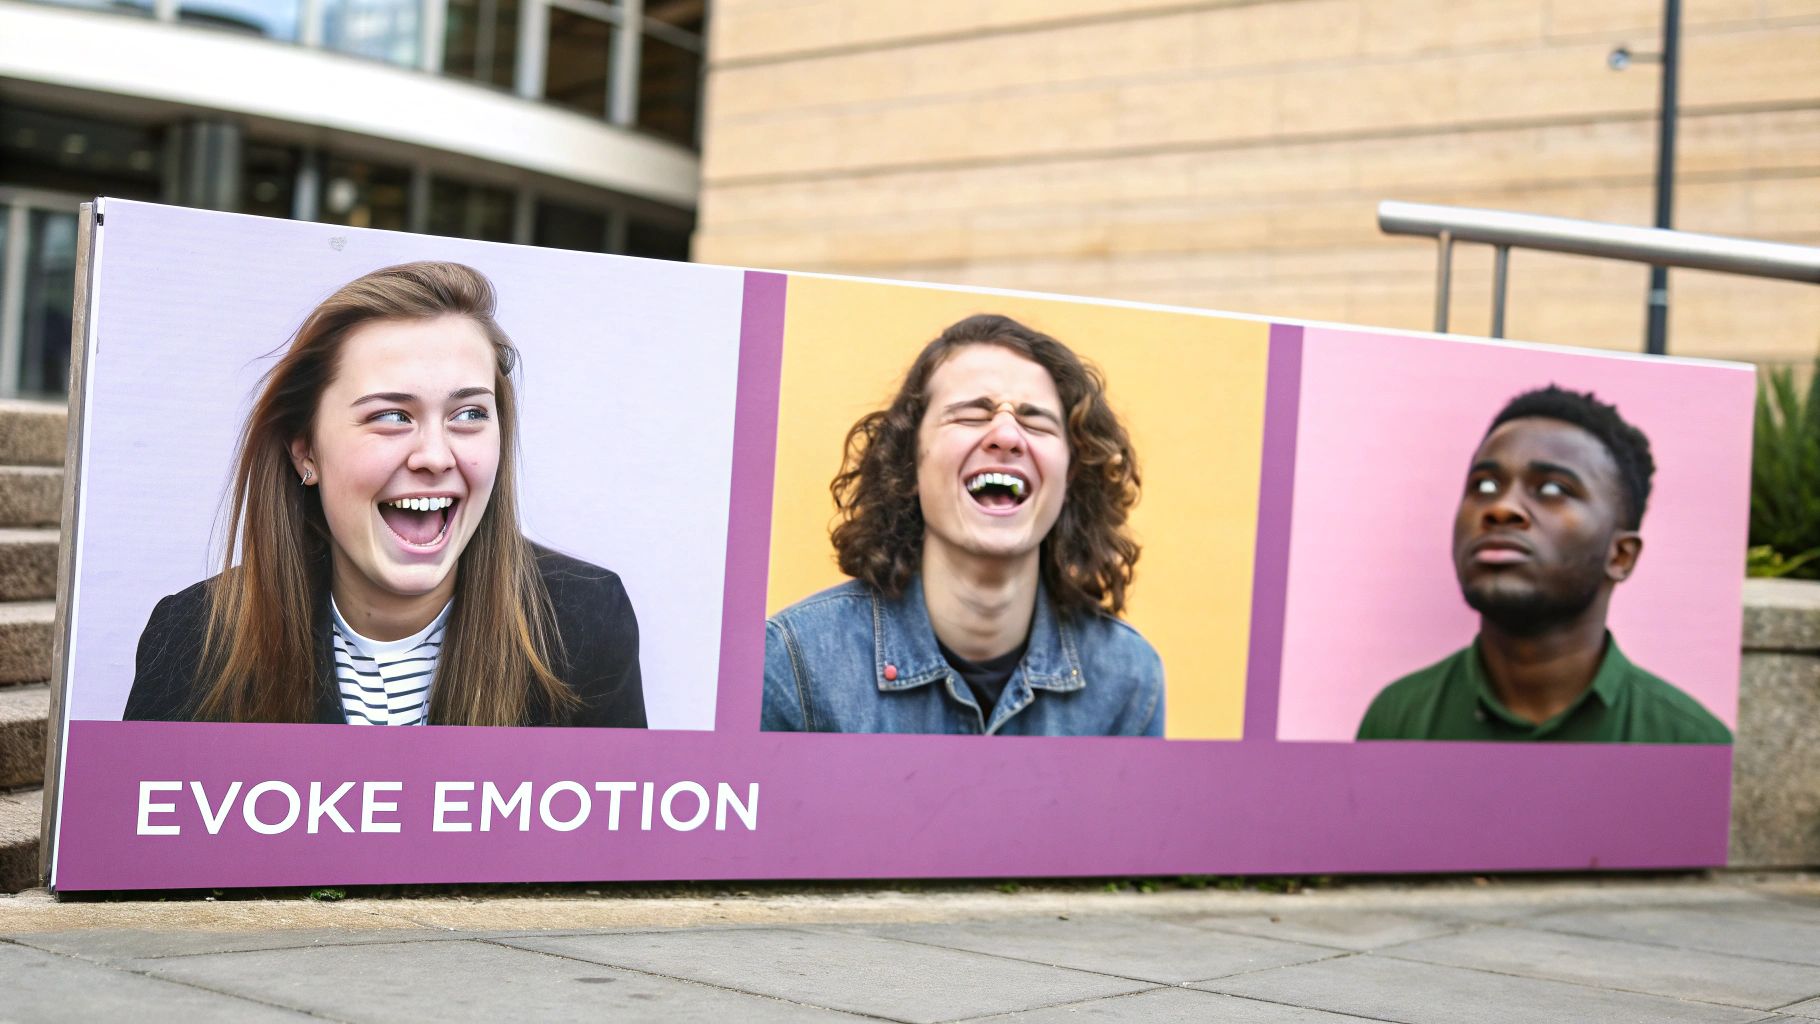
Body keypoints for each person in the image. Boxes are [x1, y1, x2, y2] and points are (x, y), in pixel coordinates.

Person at [125, 261, 645, 727]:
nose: (435, 456)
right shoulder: (194, 637)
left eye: (469, 415)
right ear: (306, 452)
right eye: (391, 416)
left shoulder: (585, 620)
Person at [762, 314, 1163, 736]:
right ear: (908, 464)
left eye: (1036, 421)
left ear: (1071, 477)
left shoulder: (1130, 679)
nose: (1007, 434)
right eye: (971, 415)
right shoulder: (794, 663)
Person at [1358, 385, 1729, 743]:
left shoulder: (1688, 743)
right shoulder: (1398, 720)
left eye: (1552, 489)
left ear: (1620, 556)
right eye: (1484, 486)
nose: (1501, 508)